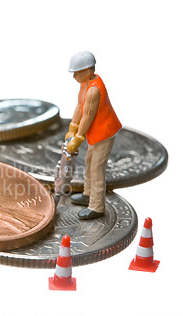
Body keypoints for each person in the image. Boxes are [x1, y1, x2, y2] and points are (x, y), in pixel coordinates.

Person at [64, 51, 122, 220]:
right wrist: (72, 129)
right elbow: (79, 108)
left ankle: (97, 207)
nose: (74, 75)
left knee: (96, 168)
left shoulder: (94, 91)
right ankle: (88, 194)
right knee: (89, 162)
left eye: (77, 72)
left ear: (88, 70)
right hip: (95, 134)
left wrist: (78, 138)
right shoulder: (84, 85)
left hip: (105, 132)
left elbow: (88, 116)